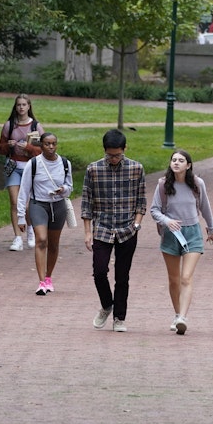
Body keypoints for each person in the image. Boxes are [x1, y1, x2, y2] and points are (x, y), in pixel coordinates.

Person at [82, 129, 147, 333]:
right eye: (109, 155)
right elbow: (86, 202)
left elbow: (141, 201)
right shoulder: (93, 170)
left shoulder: (136, 169)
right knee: (99, 271)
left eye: (117, 155)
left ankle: (119, 317)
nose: (113, 158)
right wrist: (87, 232)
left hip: (127, 229)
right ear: (104, 151)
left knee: (122, 275)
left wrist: (136, 224)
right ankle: (107, 304)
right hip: (102, 228)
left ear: (124, 149)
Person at [150, 150, 213, 335]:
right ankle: (177, 313)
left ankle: (182, 318)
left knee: (186, 277)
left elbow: (205, 206)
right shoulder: (163, 185)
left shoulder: (197, 183)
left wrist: (211, 228)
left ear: (188, 165)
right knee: (174, 279)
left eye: (181, 160)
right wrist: (166, 221)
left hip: (192, 233)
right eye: (174, 160)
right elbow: (154, 210)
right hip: (171, 234)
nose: (176, 163)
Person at [17, 132, 73, 295]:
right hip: (38, 205)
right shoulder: (34, 164)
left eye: (53, 143)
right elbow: (24, 190)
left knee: (54, 244)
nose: (50, 147)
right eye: (47, 144)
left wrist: (63, 189)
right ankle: (41, 282)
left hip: (58, 206)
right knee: (41, 240)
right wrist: (21, 216)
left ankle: (48, 277)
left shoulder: (64, 163)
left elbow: (69, 186)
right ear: (41, 145)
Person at [0, 94, 44, 251]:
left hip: (29, 167)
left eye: (24, 104)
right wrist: (9, 146)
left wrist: (28, 148)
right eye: (19, 105)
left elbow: (41, 151)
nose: (21, 107)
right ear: (15, 107)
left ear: (29, 106)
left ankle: (30, 231)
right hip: (13, 166)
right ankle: (17, 238)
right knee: (14, 202)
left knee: (28, 204)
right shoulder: (9, 126)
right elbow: (0, 148)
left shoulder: (35, 126)